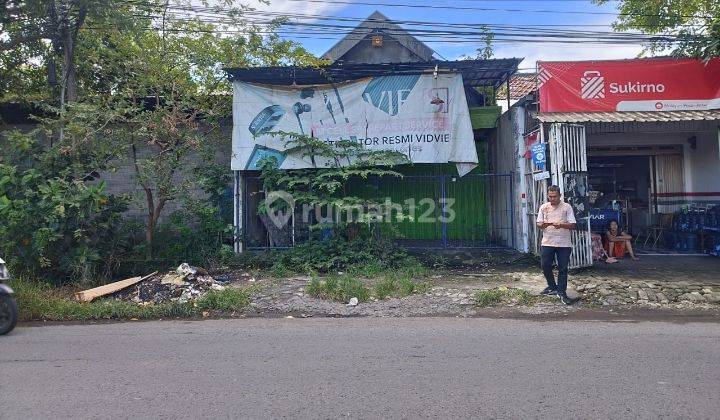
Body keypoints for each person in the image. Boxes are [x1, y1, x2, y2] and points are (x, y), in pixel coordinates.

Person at [536, 185, 577, 305]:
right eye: (550, 196)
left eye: (554, 196)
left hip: (564, 243)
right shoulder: (544, 207)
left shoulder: (566, 207)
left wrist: (562, 225)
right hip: (548, 241)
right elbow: (538, 223)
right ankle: (552, 286)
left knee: (563, 268)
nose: (552, 199)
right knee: (545, 265)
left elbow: (573, 224)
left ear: (560, 196)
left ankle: (562, 292)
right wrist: (543, 225)